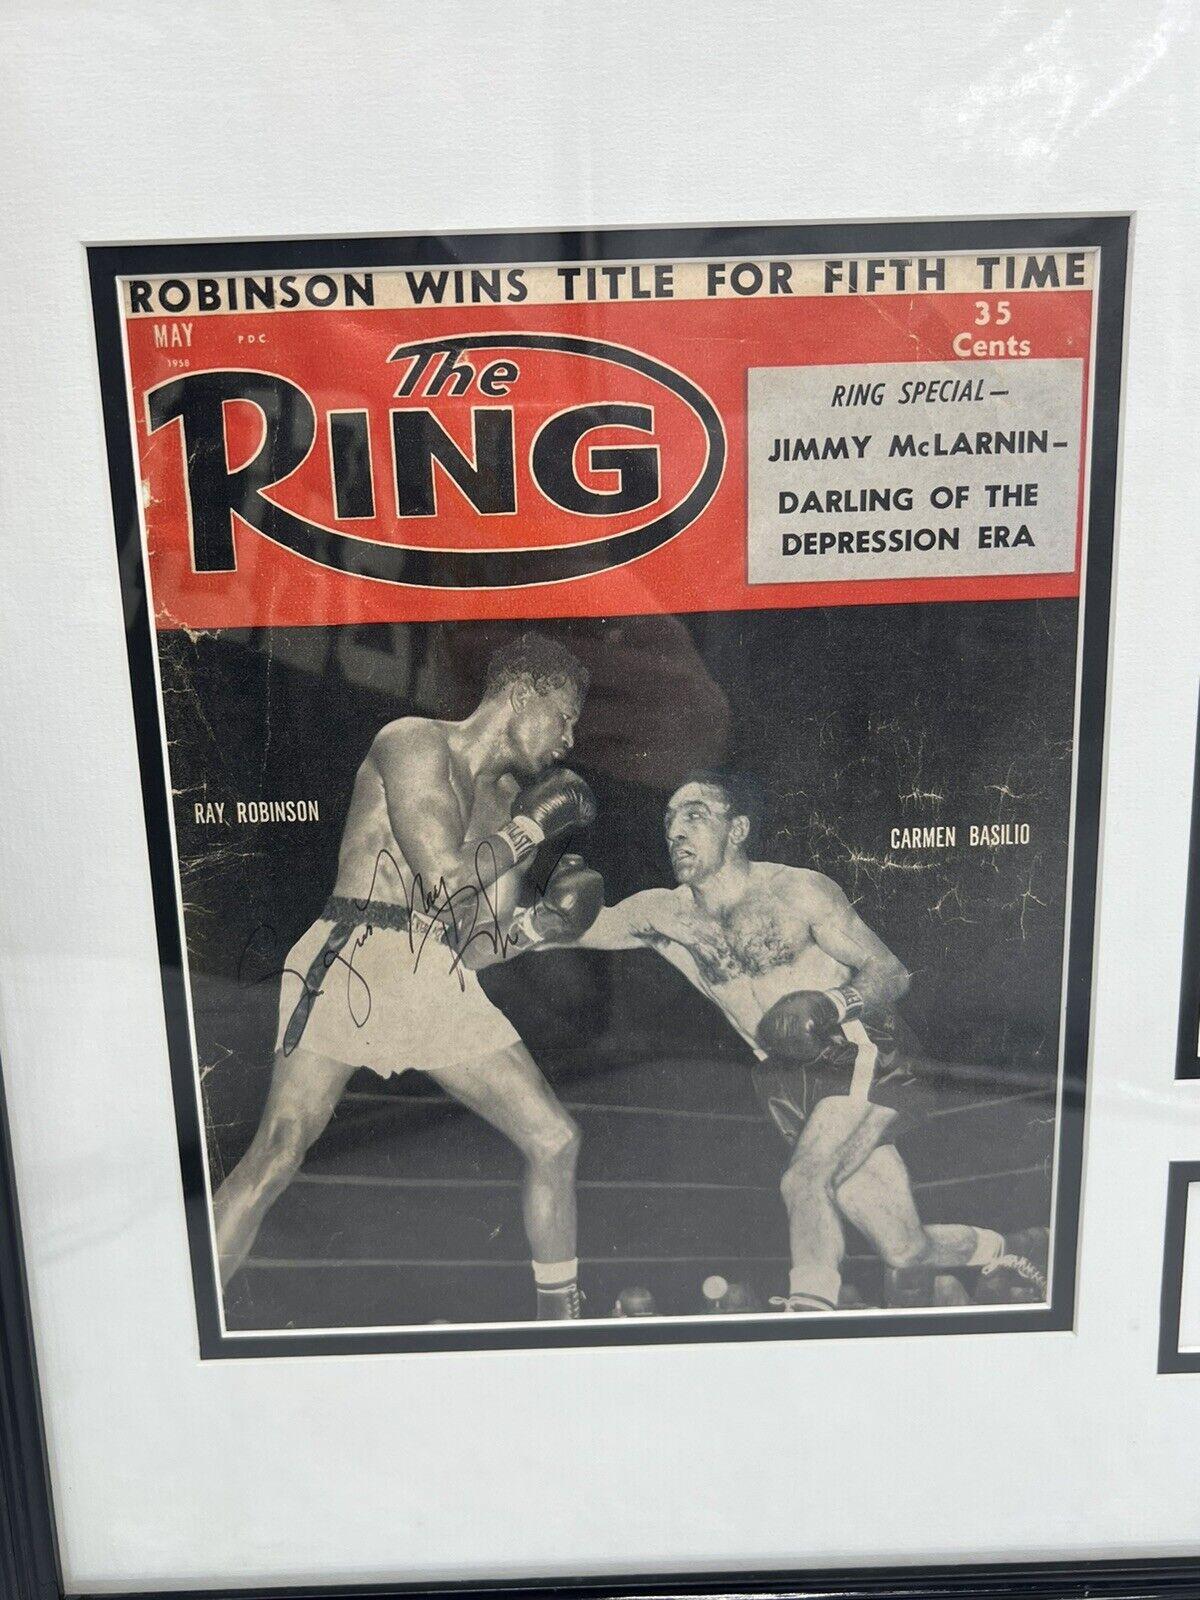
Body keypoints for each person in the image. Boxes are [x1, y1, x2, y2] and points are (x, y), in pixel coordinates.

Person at [525, 770, 1048, 1312]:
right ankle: (1016, 1247)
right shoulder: (662, 913)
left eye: (696, 815)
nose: (677, 831)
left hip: (855, 1045)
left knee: (804, 1182)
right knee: (905, 1248)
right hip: (783, 1075)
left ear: (739, 829)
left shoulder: (797, 890)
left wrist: (829, 1003)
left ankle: (807, 1318)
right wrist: (536, 909)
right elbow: (556, 934)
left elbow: (891, 972)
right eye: (670, 820)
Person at [214, 633, 604, 1320]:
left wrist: (544, 928)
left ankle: (561, 1318)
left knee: (555, 1138)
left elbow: (478, 944)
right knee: (279, 1152)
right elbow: (443, 874)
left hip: (437, 975)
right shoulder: (414, 741)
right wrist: (535, 831)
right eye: (565, 716)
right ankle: (184, 1315)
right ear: (522, 694)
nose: (569, 740)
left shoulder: (513, 805)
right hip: (357, 951)